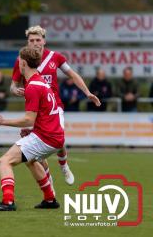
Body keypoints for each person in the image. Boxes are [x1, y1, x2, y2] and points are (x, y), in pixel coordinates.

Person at [10, 25, 101, 186]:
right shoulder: (21, 60)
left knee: (58, 139)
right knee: (35, 150)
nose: (35, 43)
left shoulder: (55, 57)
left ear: (44, 41)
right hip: (34, 109)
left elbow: (72, 74)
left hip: (54, 107)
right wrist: (15, 90)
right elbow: (13, 85)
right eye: (31, 40)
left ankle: (64, 165)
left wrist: (87, 93)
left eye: (38, 39)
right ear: (27, 42)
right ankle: (47, 177)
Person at [0, 46, 63, 211]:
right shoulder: (41, 81)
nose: (18, 63)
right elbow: (44, 115)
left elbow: (28, 119)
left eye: (19, 60)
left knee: (4, 161)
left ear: (23, 63)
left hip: (46, 137)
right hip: (54, 137)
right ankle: (50, 199)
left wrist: (3, 121)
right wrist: (33, 129)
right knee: (30, 160)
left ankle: (8, 201)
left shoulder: (33, 86)